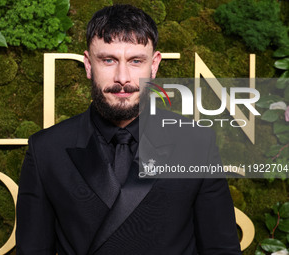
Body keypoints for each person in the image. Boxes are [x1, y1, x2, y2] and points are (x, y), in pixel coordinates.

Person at [16, 4, 242, 255]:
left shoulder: (197, 143)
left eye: (136, 61)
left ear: (154, 65)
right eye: (108, 60)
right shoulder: (46, 149)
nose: (122, 77)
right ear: (88, 65)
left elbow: (222, 249)